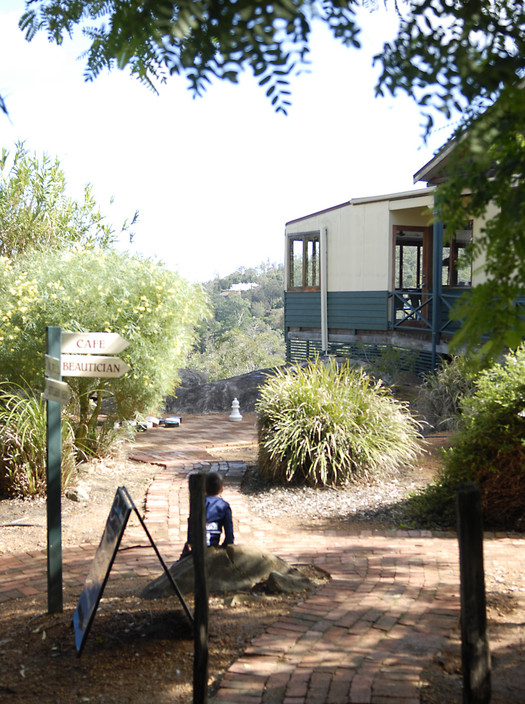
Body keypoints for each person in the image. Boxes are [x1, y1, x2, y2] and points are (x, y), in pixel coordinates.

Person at [180, 471, 234, 557]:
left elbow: (192, 522)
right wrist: (226, 545)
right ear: (221, 490)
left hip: (195, 545)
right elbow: (229, 531)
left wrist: (190, 541)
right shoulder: (224, 506)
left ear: (204, 489)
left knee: (182, 563)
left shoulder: (198, 503)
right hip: (212, 545)